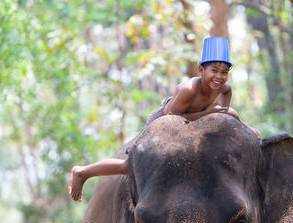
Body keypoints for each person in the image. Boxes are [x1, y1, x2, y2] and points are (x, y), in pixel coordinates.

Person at [68, 37, 261, 202]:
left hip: (198, 122)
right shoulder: (188, 89)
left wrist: (243, 127)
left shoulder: (225, 88)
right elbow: (172, 120)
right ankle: (83, 172)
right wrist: (209, 115)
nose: (219, 76)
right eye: (214, 70)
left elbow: (225, 113)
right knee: (131, 165)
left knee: (232, 118)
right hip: (165, 122)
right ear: (201, 69)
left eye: (224, 72)